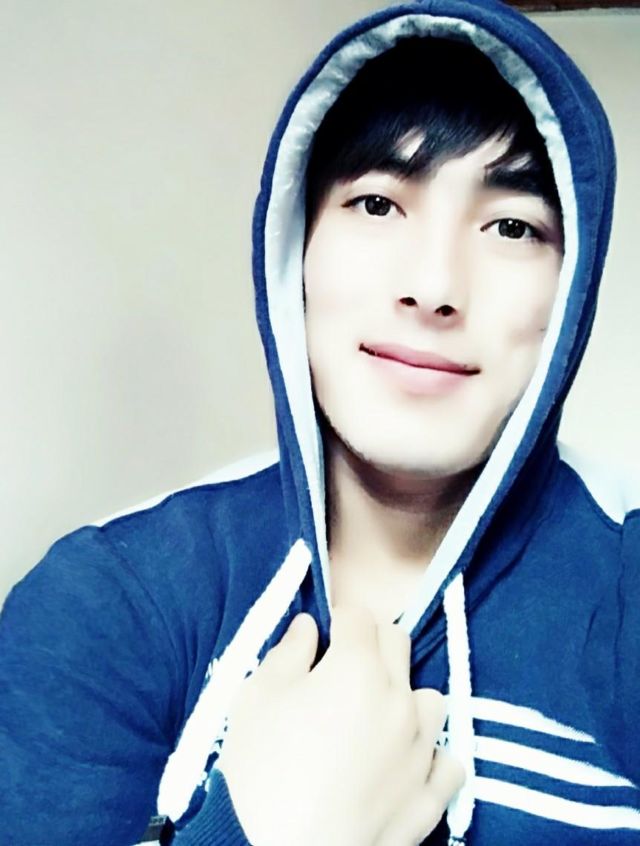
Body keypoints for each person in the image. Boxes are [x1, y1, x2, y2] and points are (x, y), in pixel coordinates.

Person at [1, 0, 638, 844]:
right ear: (295, 249)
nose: (433, 286)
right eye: (377, 205)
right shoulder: (108, 603)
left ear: (574, 285)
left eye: (512, 226)